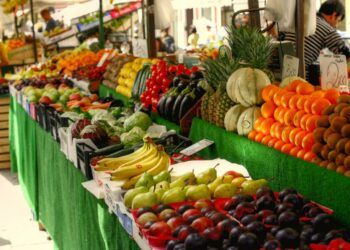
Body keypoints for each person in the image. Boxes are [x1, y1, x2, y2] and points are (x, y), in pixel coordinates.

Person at [282, 0, 350, 79]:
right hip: (299, 77)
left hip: (280, 69)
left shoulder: (303, 20)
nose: (336, 25)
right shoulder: (327, 29)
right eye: (338, 20)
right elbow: (345, 54)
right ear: (334, 15)